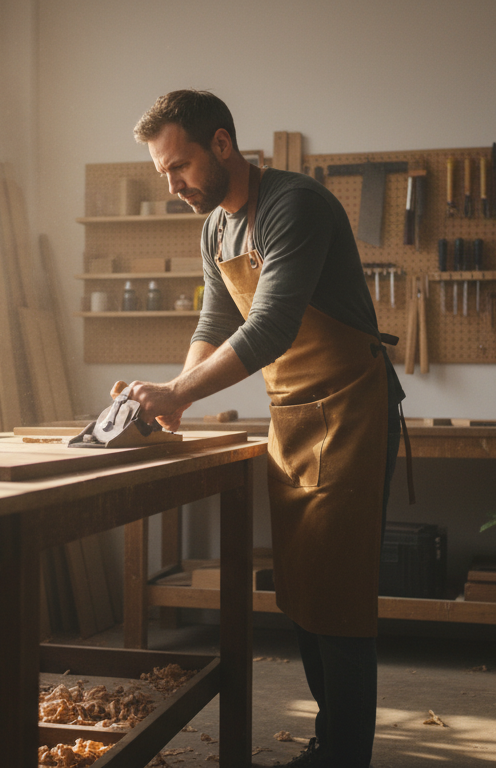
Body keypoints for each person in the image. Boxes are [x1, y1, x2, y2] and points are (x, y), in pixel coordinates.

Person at [126, 90, 406, 768]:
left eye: (180, 166)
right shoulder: (215, 229)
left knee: (339, 599)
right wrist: (174, 401)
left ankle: (346, 756)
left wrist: (176, 392)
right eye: (163, 173)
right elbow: (215, 326)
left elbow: (271, 326)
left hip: (349, 410)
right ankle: (328, 739)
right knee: (304, 593)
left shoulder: (295, 206)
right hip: (291, 417)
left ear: (222, 144)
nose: (173, 186)